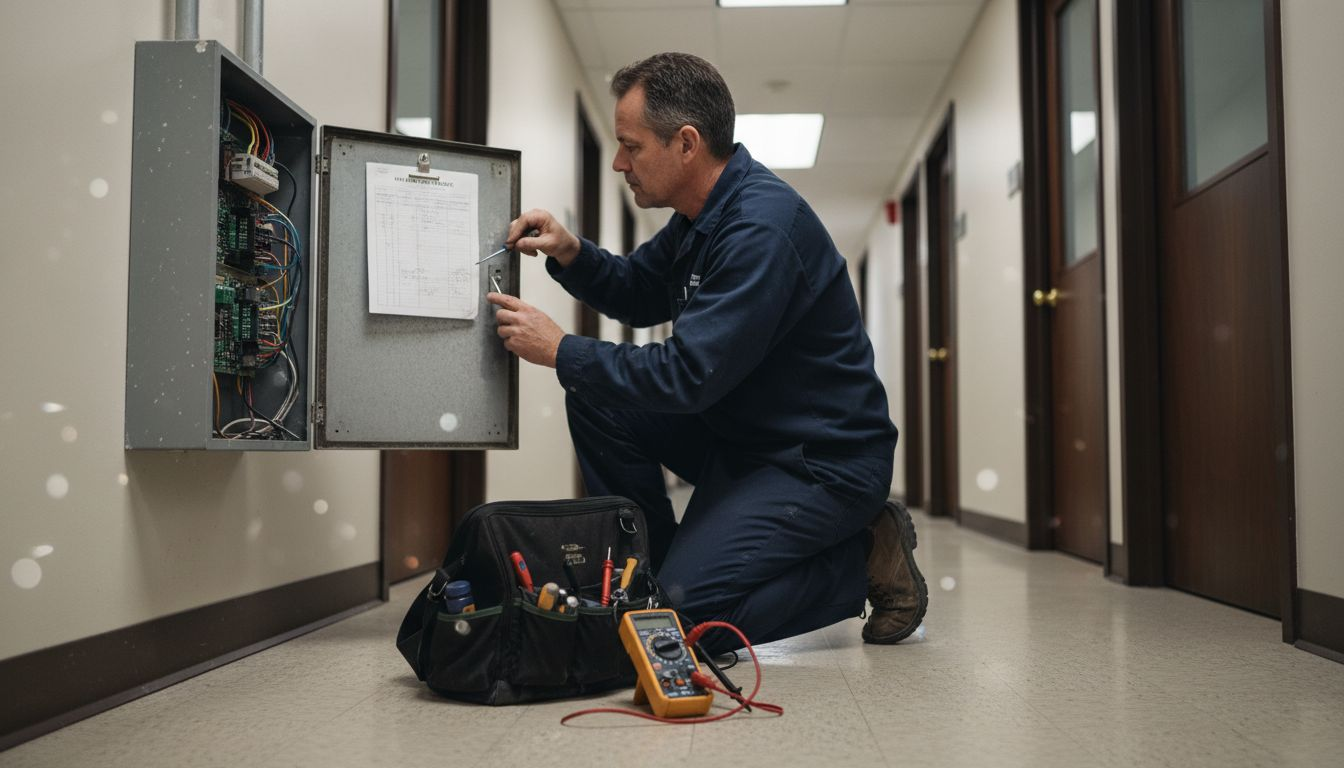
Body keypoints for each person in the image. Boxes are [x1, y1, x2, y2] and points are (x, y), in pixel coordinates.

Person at [485, 52, 926, 652]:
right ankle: (650, 579)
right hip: (745, 440)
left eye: (631, 146)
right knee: (597, 395)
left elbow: (686, 376)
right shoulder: (701, 216)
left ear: (686, 143)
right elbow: (642, 291)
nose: (619, 163)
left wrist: (559, 347)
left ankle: (860, 560)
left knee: (688, 622)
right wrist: (571, 252)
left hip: (819, 462)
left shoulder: (759, 230)